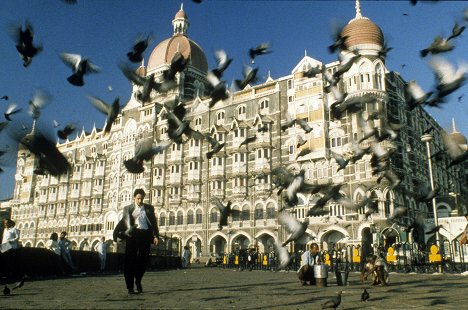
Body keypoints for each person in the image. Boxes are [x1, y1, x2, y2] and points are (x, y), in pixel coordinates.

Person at [117, 188, 159, 295]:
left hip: (145, 235)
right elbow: (124, 223)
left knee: (143, 260)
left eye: (141, 199)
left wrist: (156, 236)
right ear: (134, 198)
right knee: (129, 261)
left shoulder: (149, 208)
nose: (140, 201)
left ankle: (138, 280)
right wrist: (124, 234)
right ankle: (130, 287)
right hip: (133, 236)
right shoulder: (128, 208)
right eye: (138, 199)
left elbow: (154, 223)